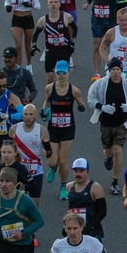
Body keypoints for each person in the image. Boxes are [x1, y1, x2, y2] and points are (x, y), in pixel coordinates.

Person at [87, 57, 127, 196]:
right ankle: (108, 157)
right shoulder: (100, 84)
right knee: (108, 150)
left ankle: (115, 181)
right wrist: (101, 107)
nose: (115, 73)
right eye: (113, 70)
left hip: (122, 122)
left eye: (118, 69)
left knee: (118, 151)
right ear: (109, 71)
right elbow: (91, 98)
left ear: (121, 71)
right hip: (105, 122)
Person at [43, 62, 85, 190]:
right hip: (53, 128)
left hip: (68, 129)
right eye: (58, 73)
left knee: (62, 160)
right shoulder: (49, 88)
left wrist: (80, 106)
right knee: (53, 161)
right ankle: (53, 168)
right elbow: (46, 102)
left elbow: (81, 105)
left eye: (64, 73)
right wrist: (44, 110)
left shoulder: (74, 90)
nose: (61, 76)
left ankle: (63, 185)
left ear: (69, 72)